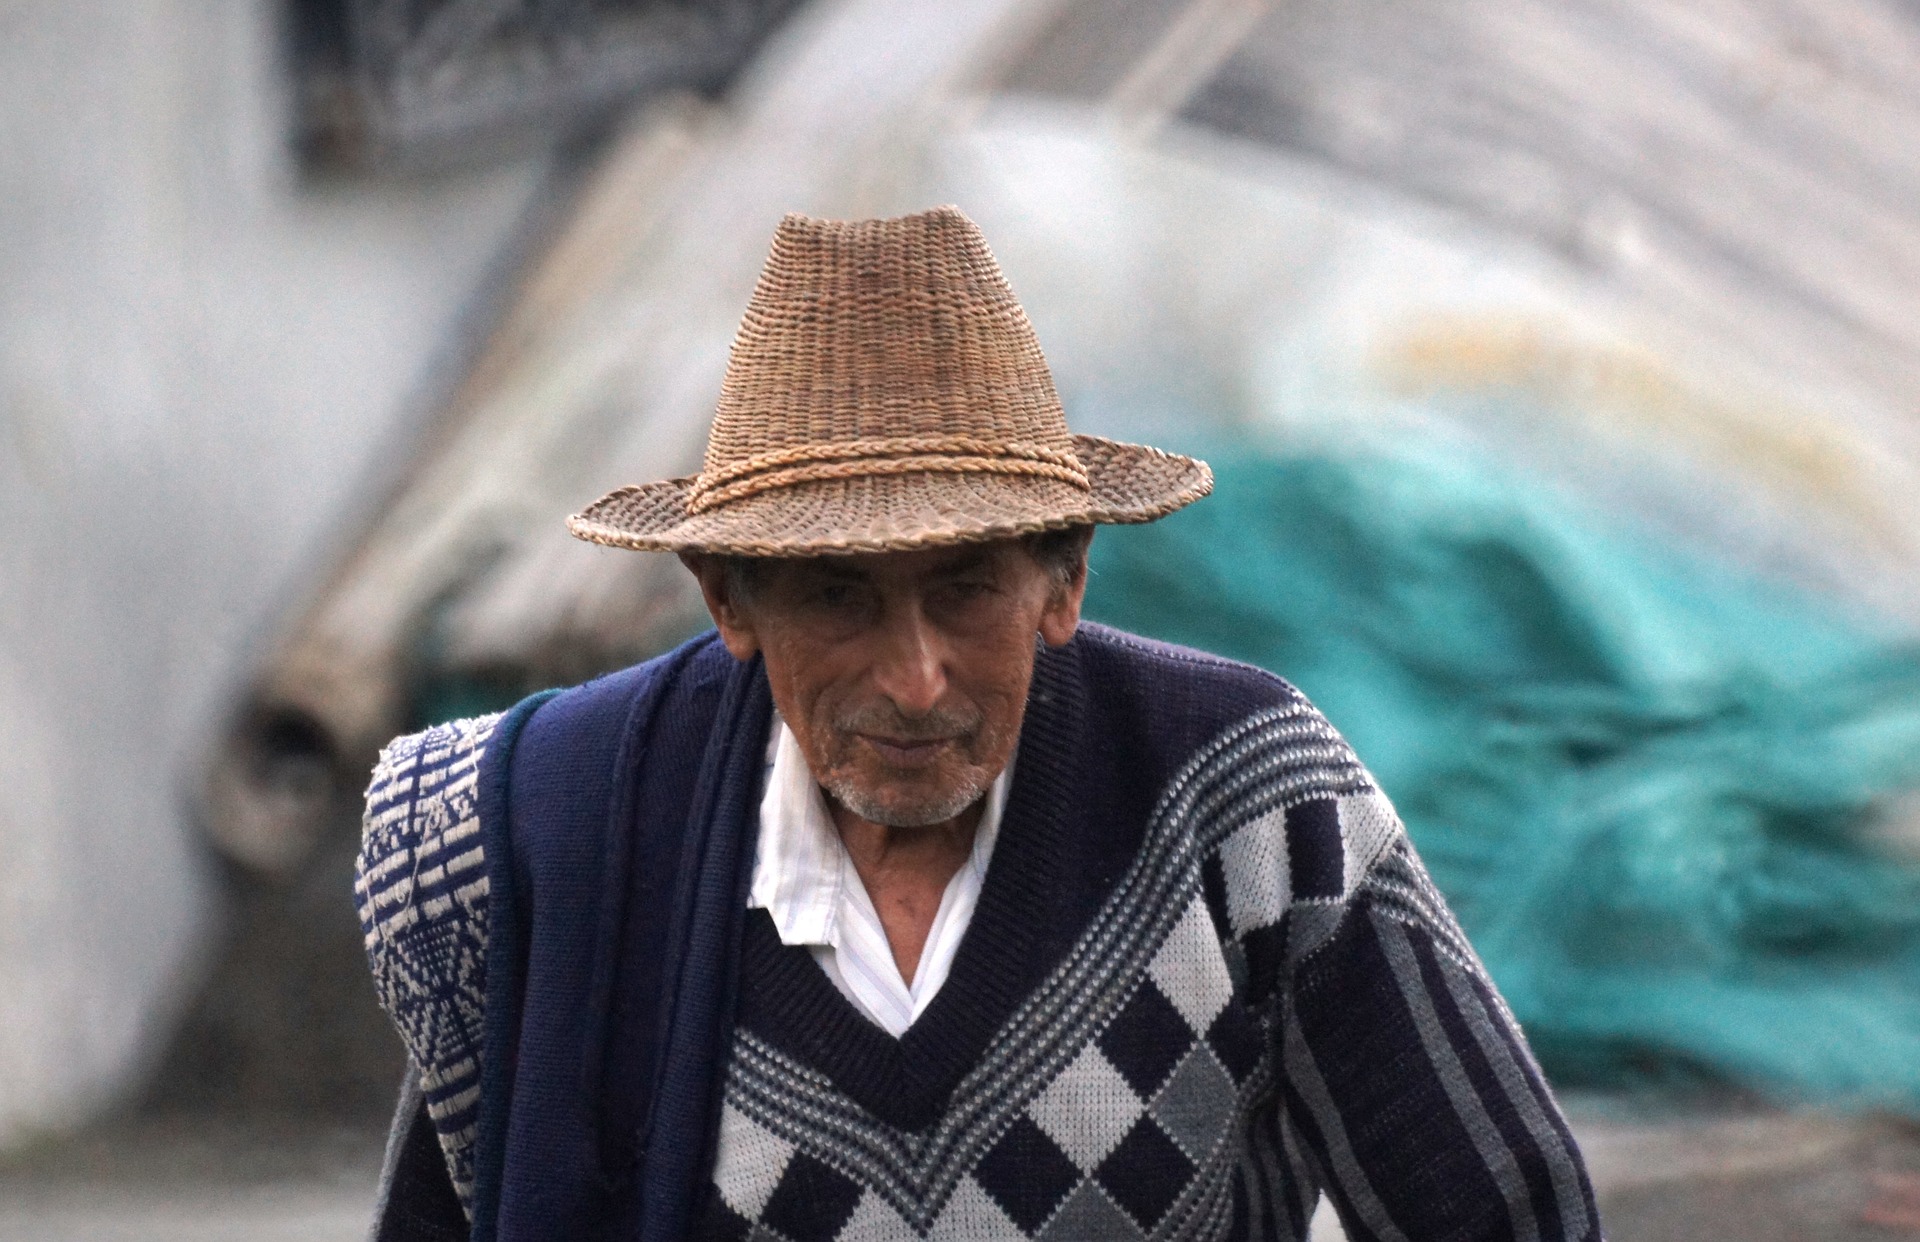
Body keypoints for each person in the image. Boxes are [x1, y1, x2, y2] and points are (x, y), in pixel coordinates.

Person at [355, 206, 1599, 1242]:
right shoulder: (580, 842)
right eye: (839, 596)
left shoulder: (1244, 797)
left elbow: (1502, 1211)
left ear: (1064, 581)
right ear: (729, 600)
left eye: (964, 591)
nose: (914, 679)